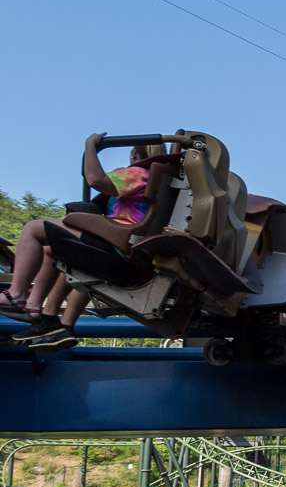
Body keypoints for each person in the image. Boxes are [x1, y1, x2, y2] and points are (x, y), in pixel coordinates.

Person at [5, 134, 167, 352]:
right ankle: (40, 313)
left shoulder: (139, 174)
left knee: (33, 229)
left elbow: (96, 180)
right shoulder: (162, 179)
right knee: (54, 250)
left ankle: (16, 294)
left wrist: (90, 145)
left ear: (135, 154)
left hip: (117, 249)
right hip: (126, 252)